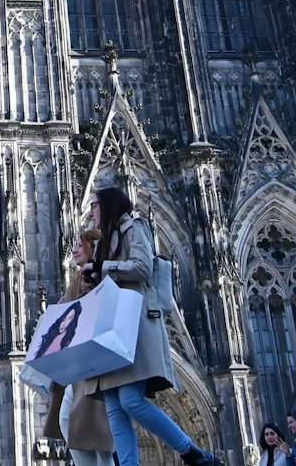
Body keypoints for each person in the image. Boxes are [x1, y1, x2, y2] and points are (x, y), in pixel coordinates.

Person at [79, 187, 219, 466]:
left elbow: (143, 268)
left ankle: (192, 452)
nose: (91, 212)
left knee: (131, 401)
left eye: (94, 206)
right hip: (109, 327)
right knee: (115, 408)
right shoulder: (104, 242)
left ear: (108, 206)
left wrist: (103, 268)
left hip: (133, 323)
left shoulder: (135, 227)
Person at [41, 227, 115, 466]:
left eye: (79, 246)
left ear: (91, 250)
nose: (74, 249)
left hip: (96, 361)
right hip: (79, 362)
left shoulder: (99, 276)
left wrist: (90, 291)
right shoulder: (77, 278)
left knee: (96, 430)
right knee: (71, 422)